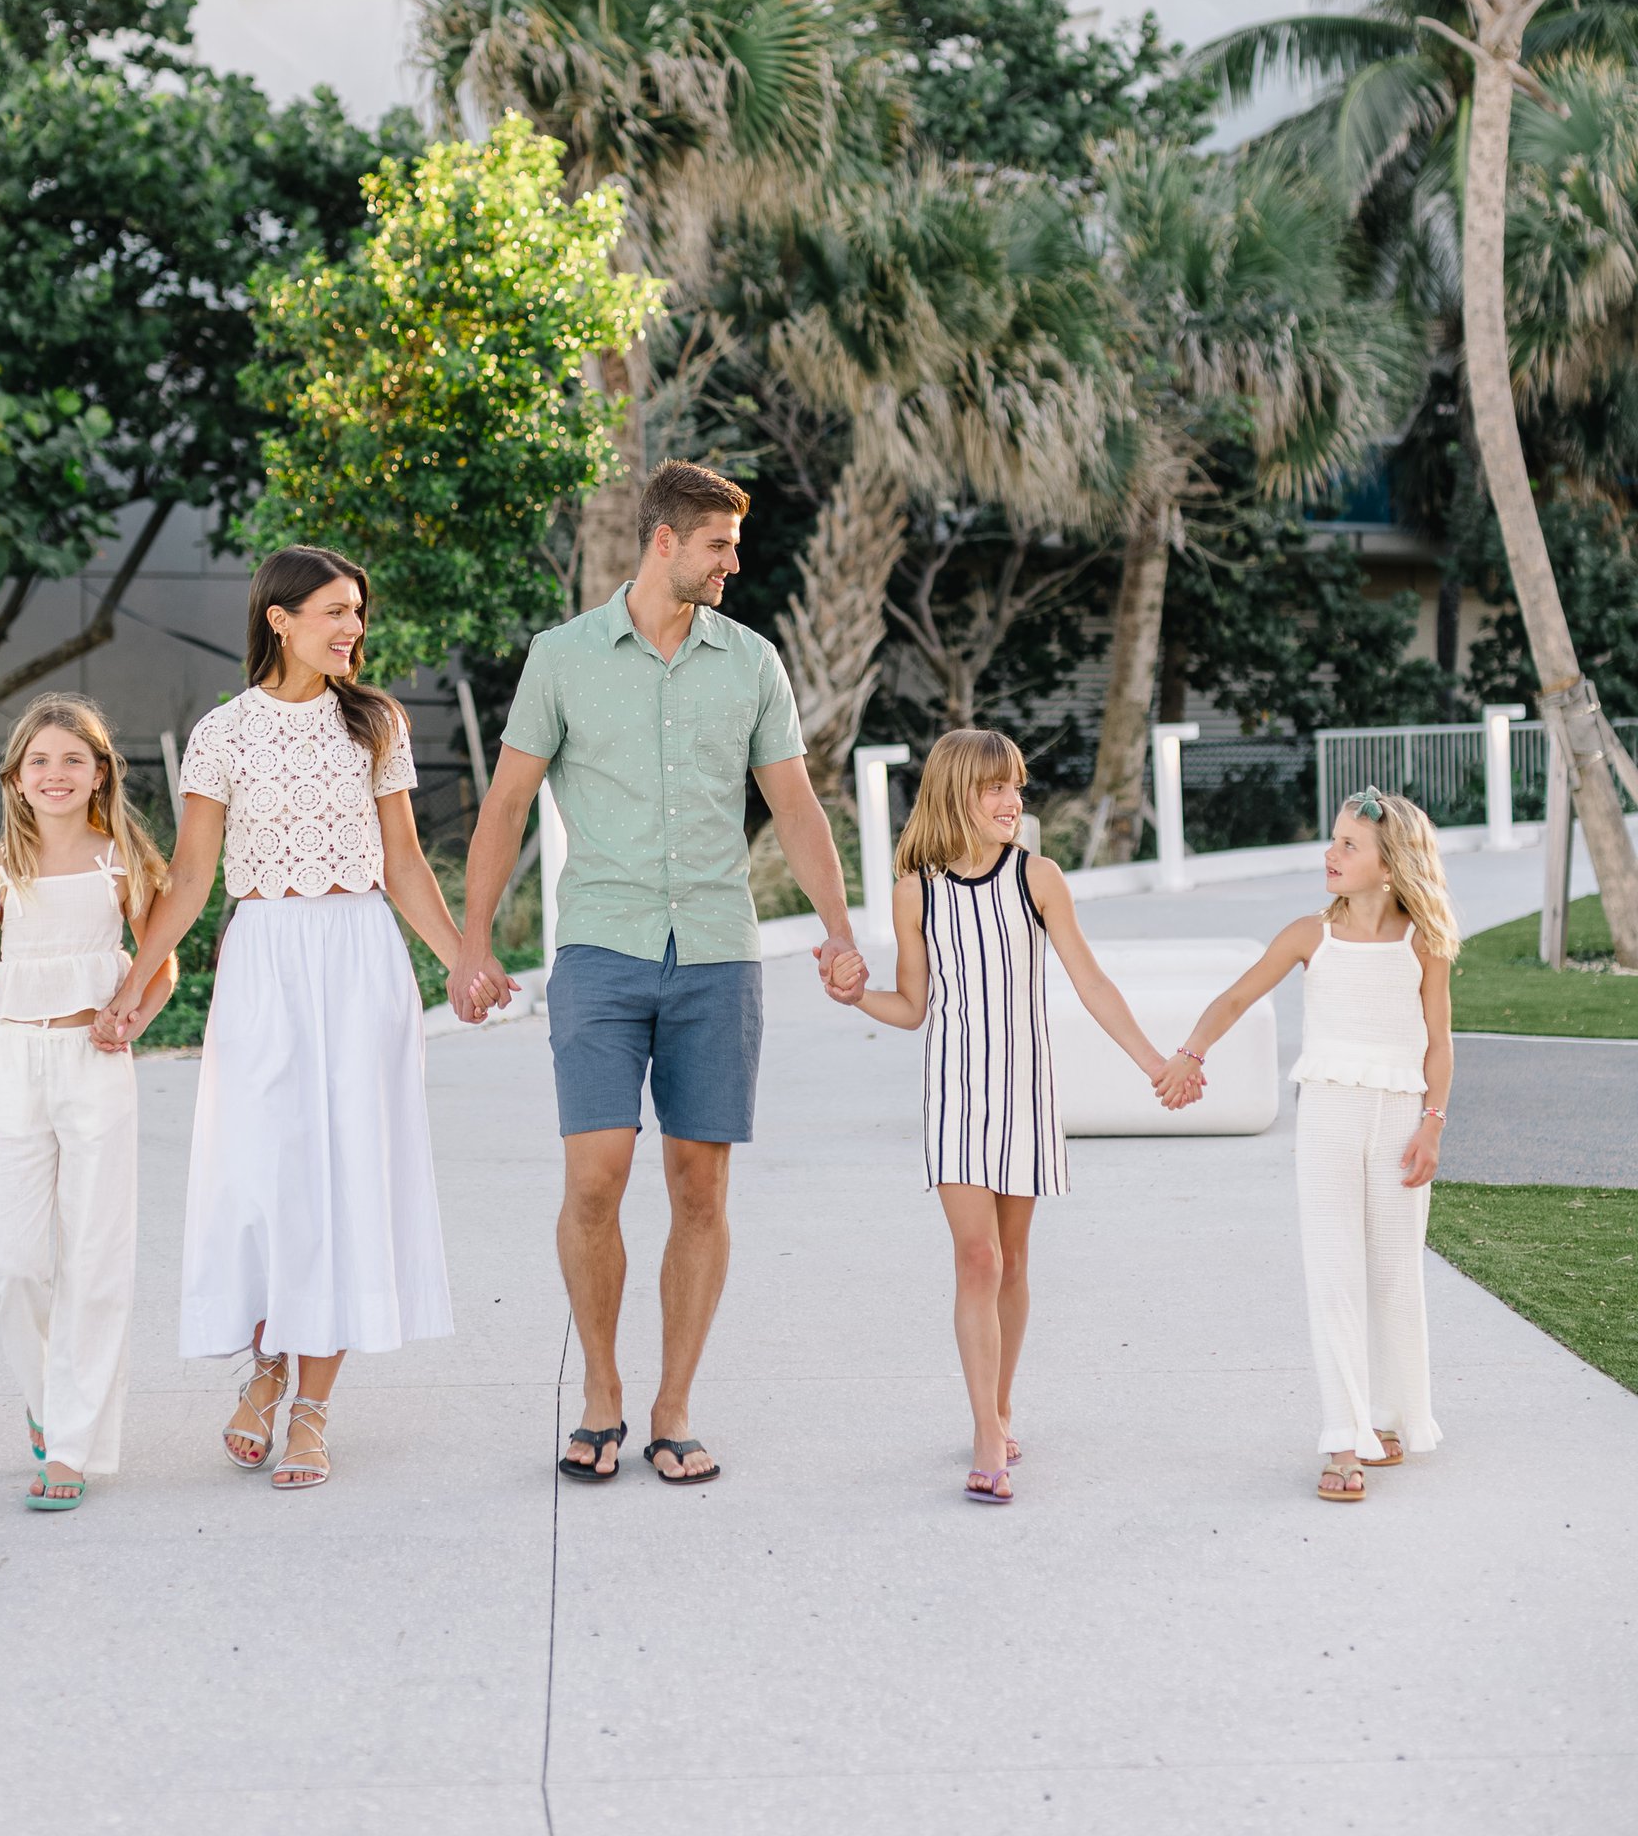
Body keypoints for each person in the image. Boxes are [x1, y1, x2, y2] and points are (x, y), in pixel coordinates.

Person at [451, 460, 864, 1488]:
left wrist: (838, 929)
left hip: (718, 951)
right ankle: (602, 1391)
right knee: (595, 1176)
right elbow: (506, 805)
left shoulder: (752, 662)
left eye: (736, 546)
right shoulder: (562, 657)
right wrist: (473, 942)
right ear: (665, 541)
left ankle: (674, 1406)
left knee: (700, 1186)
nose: (733, 564)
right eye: (719, 545)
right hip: (601, 945)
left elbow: (796, 805)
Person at [99, 545, 490, 1489]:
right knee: (264, 1178)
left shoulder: (376, 722)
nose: (353, 627)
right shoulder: (222, 733)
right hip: (264, 963)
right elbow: (192, 875)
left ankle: (311, 1407)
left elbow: (404, 863)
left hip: (360, 959)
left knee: (347, 1176)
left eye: (357, 612)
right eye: (335, 611)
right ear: (280, 619)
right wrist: (137, 982)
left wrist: (462, 961)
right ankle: (267, 1363)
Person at [826, 727, 1175, 1503]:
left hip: (1025, 1093)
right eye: (994, 787)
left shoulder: (1037, 878)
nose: (1012, 800)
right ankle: (986, 1428)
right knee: (977, 1259)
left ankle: (1003, 1402)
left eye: (1015, 785)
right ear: (957, 792)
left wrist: (1154, 1063)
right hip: (955, 1095)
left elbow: (1091, 982)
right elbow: (911, 1006)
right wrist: (856, 997)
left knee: (1013, 1261)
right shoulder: (916, 890)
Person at [1154, 785, 1456, 1504]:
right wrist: (1189, 1055)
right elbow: (1235, 998)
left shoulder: (1423, 941)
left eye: (1349, 845)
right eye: (1333, 840)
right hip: (1328, 1114)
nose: (1330, 853)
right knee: (1333, 1274)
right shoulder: (1307, 936)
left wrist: (1434, 1124)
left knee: (1394, 1276)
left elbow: (1440, 1043)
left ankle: (1390, 1415)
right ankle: (1344, 1438)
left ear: (1390, 865)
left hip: (1401, 1117)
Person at [0, 694, 176, 1511]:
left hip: (95, 1068)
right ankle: (47, 1398)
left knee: (95, 1258)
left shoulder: (123, 861)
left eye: (74, 760)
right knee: (14, 1265)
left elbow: (160, 966)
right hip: (14, 1065)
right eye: (39, 760)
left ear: (100, 773)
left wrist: (131, 1016)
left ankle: (71, 1447)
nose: (56, 773)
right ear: (15, 776)